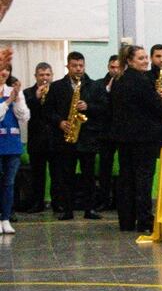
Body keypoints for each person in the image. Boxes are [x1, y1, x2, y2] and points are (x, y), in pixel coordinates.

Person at [110, 44, 162, 232]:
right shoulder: (141, 80)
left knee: (126, 179)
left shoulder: (119, 80)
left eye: (146, 57)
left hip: (124, 138)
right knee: (143, 180)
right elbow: (156, 107)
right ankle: (145, 221)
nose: (146, 61)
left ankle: (127, 221)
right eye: (141, 58)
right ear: (129, 61)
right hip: (143, 139)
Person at [45, 52, 107, 221]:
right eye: (74, 65)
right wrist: (60, 122)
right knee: (66, 176)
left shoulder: (95, 86)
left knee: (89, 176)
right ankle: (68, 210)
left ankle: (90, 209)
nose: (78, 69)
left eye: (81, 65)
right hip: (65, 139)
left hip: (88, 137)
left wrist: (88, 106)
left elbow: (105, 108)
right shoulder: (57, 87)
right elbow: (48, 111)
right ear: (68, 66)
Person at [24, 63, 56, 213]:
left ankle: (58, 203)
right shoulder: (27, 93)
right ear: (36, 76)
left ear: (52, 76)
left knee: (58, 175)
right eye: (41, 75)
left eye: (47, 75)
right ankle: (37, 203)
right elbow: (25, 114)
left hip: (55, 139)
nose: (45, 78)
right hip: (36, 140)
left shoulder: (57, 91)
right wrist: (36, 97)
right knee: (37, 174)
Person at [0, 62, 28, 233]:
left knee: (9, 183)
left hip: (12, 143)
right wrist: (8, 101)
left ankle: (6, 218)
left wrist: (17, 100)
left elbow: (25, 116)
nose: (4, 72)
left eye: (7, 69)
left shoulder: (15, 91)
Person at [95, 55, 122, 211]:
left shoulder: (127, 84)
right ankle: (104, 200)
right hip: (105, 132)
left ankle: (120, 201)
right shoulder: (99, 85)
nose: (115, 70)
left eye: (118, 67)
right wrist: (107, 91)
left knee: (125, 167)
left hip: (123, 131)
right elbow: (97, 106)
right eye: (112, 67)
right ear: (108, 67)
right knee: (105, 168)